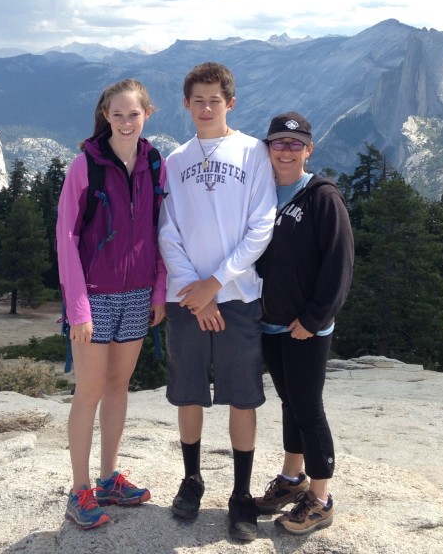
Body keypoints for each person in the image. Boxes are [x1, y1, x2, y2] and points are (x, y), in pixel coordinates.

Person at [157, 61, 277, 542]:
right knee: (188, 392)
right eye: (198, 99)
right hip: (188, 301)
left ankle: (241, 495)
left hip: (239, 297)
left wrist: (218, 282)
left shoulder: (252, 153)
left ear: (231, 102)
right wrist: (195, 291)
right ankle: (192, 480)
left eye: (215, 99)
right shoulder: (175, 160)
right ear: (186, 104)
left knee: (242, 397)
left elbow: (261, 225)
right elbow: (168, 232)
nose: (207, 107)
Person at [55, 78, 167, 530]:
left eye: (133, 114)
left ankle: (107, 479)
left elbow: (161, 231)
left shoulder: (154, 163)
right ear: (105, 116)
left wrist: (158, 291)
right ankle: (79, 489)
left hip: (138, 293)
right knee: (89, 391)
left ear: (147, 115)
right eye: (117, 114)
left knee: (119, 387)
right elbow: (66, 237)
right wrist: (77, 307)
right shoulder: (86, 165)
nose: (125, 122)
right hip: (96, 297)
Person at [252, 112, 354, 535]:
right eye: (279, 143)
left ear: (309, 150)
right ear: (268, 149)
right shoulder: (259, 194)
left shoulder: (321, 197)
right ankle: (293, 480)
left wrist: (313, 319)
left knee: (309, 408)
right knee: (290, 403)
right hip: (270, 322)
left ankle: (321, 498)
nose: (287, 151)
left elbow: (340, 263)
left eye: (296, 145)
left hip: (306, 327)